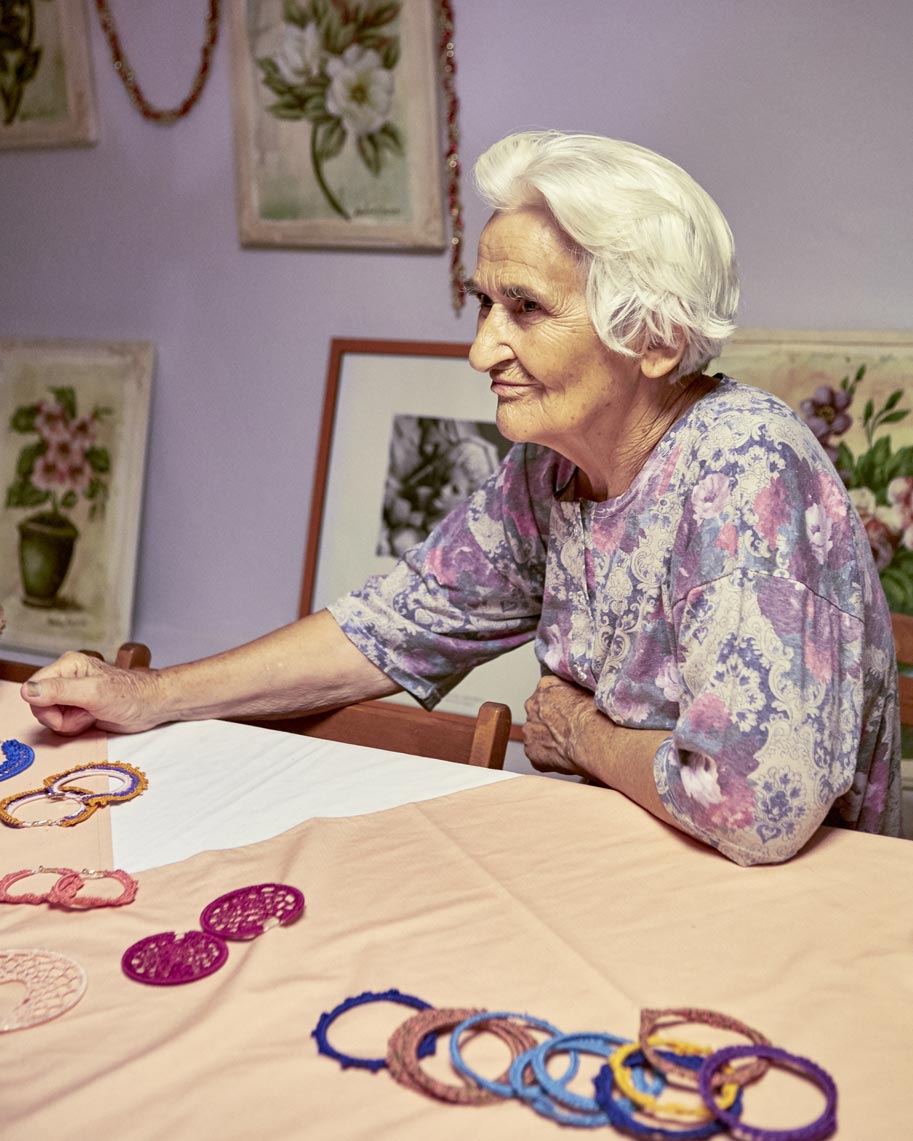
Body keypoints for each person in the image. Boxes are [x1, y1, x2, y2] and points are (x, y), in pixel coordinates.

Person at [21, 130, 901, 866]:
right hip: (614, 859)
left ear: (656, 339)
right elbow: (388, 626)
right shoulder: (547, 470)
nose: (482, 352)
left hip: (786, 905)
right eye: (484, 305)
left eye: (524, 309)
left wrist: (582, 734)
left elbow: (753, 803)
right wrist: (152, 695)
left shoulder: (745, 467)